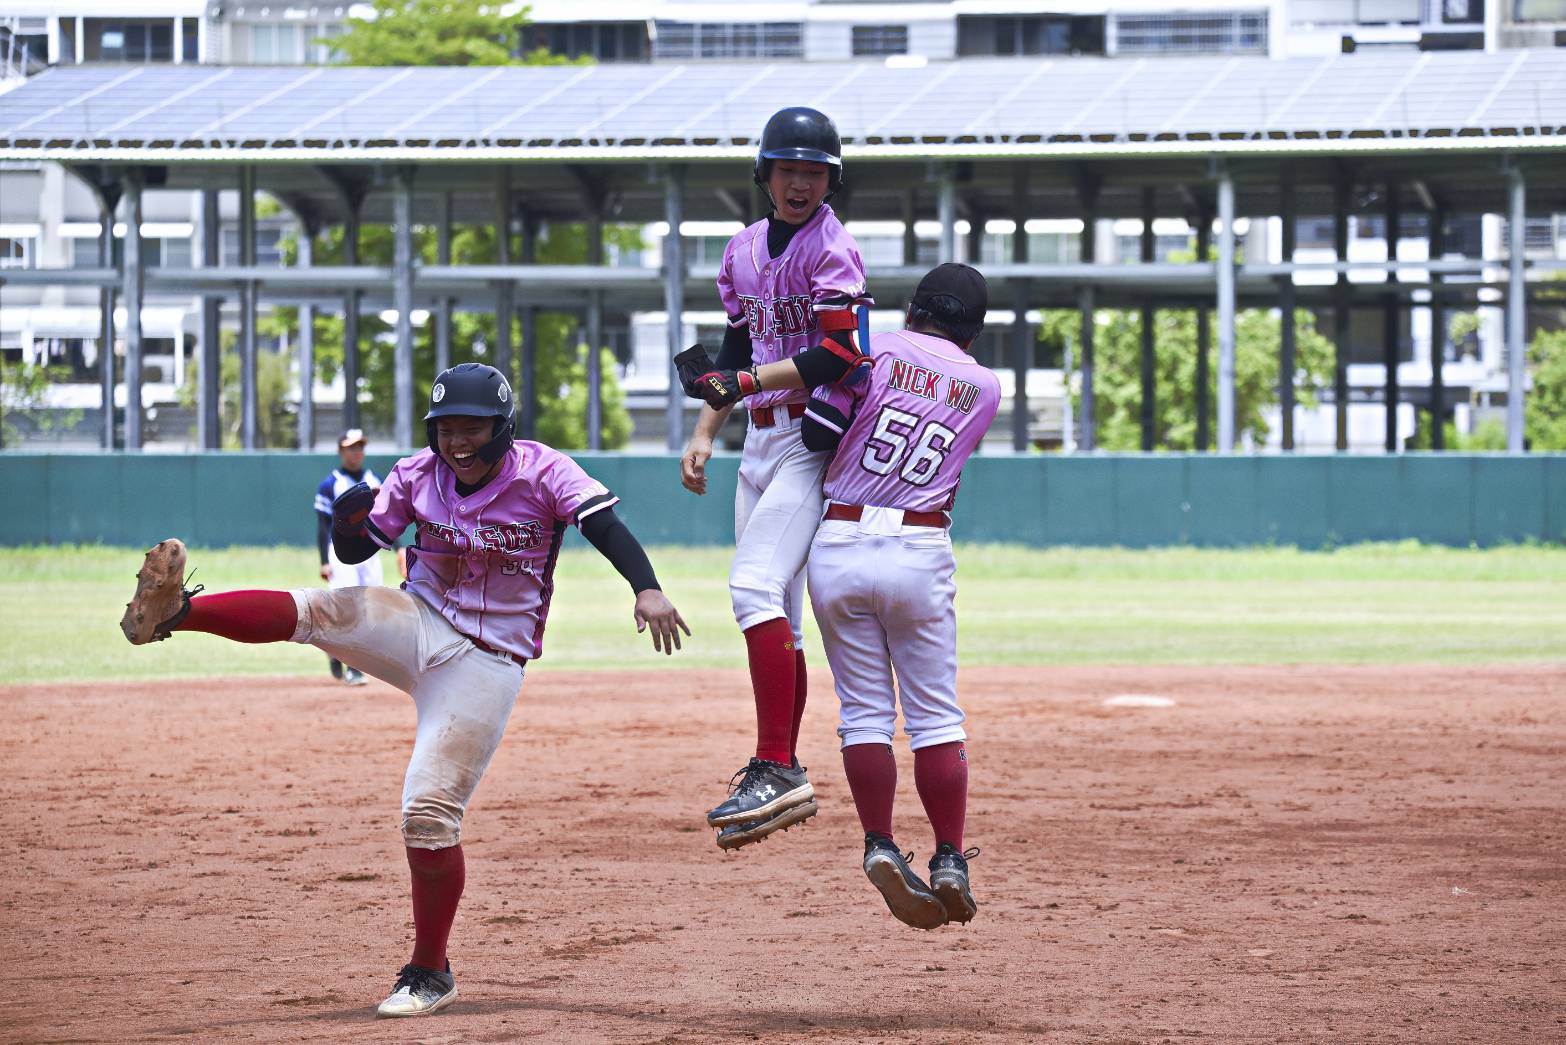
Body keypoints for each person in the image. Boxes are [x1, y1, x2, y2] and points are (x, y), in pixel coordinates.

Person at [119, 362, 690, 1018]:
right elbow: (366, 537)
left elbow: (604, 526)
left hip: (488, 661)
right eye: (447, 427)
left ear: (502, 428)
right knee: (319, 610)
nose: (458, 441)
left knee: (427, 814)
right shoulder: (418, 472)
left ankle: (430, 969)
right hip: (419, 620)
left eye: (473, 426)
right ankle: (178, 615)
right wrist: (348, 522)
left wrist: (645, 585)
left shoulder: (543, 470)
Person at [678, 105, 874, 851]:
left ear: (831, 180)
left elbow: (839, 355)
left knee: (752, 587)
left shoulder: (835, 249)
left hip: (807, 439)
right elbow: (736, 343)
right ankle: (782, 769)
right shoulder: (742, 251)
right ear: (764, 174)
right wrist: (705, 430)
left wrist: (749, 379)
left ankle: (776, 764)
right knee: (778, 614)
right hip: (756, 443)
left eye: (814, 170)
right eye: (788, 168)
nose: (800, 181)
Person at [799, 263, 1000, 930]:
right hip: (918, 544)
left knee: (863, 716)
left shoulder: (874, 346)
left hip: (841, 535)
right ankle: (948, 856)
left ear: (914, 308)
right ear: (973, 330)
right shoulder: (986, 386)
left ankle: (880, 841)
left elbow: (817, 434)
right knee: (936, 718)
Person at [314, 428, 388, 686]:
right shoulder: (330, 483)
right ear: (341, 451)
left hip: (370, 550)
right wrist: (324, 560)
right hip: (340, 551)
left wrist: (399, 547)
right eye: (350, 447)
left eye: (360, 447)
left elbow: (386, 519)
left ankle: (337, 649)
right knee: (347, 607)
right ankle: (354, 666)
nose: (356, 452)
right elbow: (323, 526)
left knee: (371, 607)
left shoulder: (374, 479)